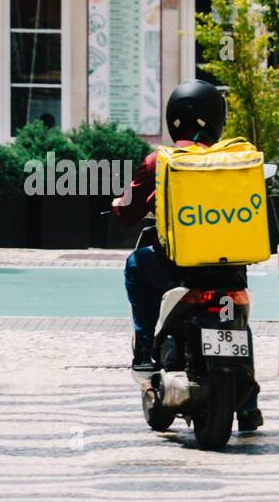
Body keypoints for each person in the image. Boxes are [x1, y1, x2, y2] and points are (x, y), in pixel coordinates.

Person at [112, 80, 262, 430]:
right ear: (217, 120)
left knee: (135, 266)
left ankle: (146, 350)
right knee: (238, 323)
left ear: (173, 118)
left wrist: (119, 207)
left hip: (178, 270)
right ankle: (249, 407)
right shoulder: (236, 159)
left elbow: (127, 212)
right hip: (230, 270)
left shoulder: (160, 161)